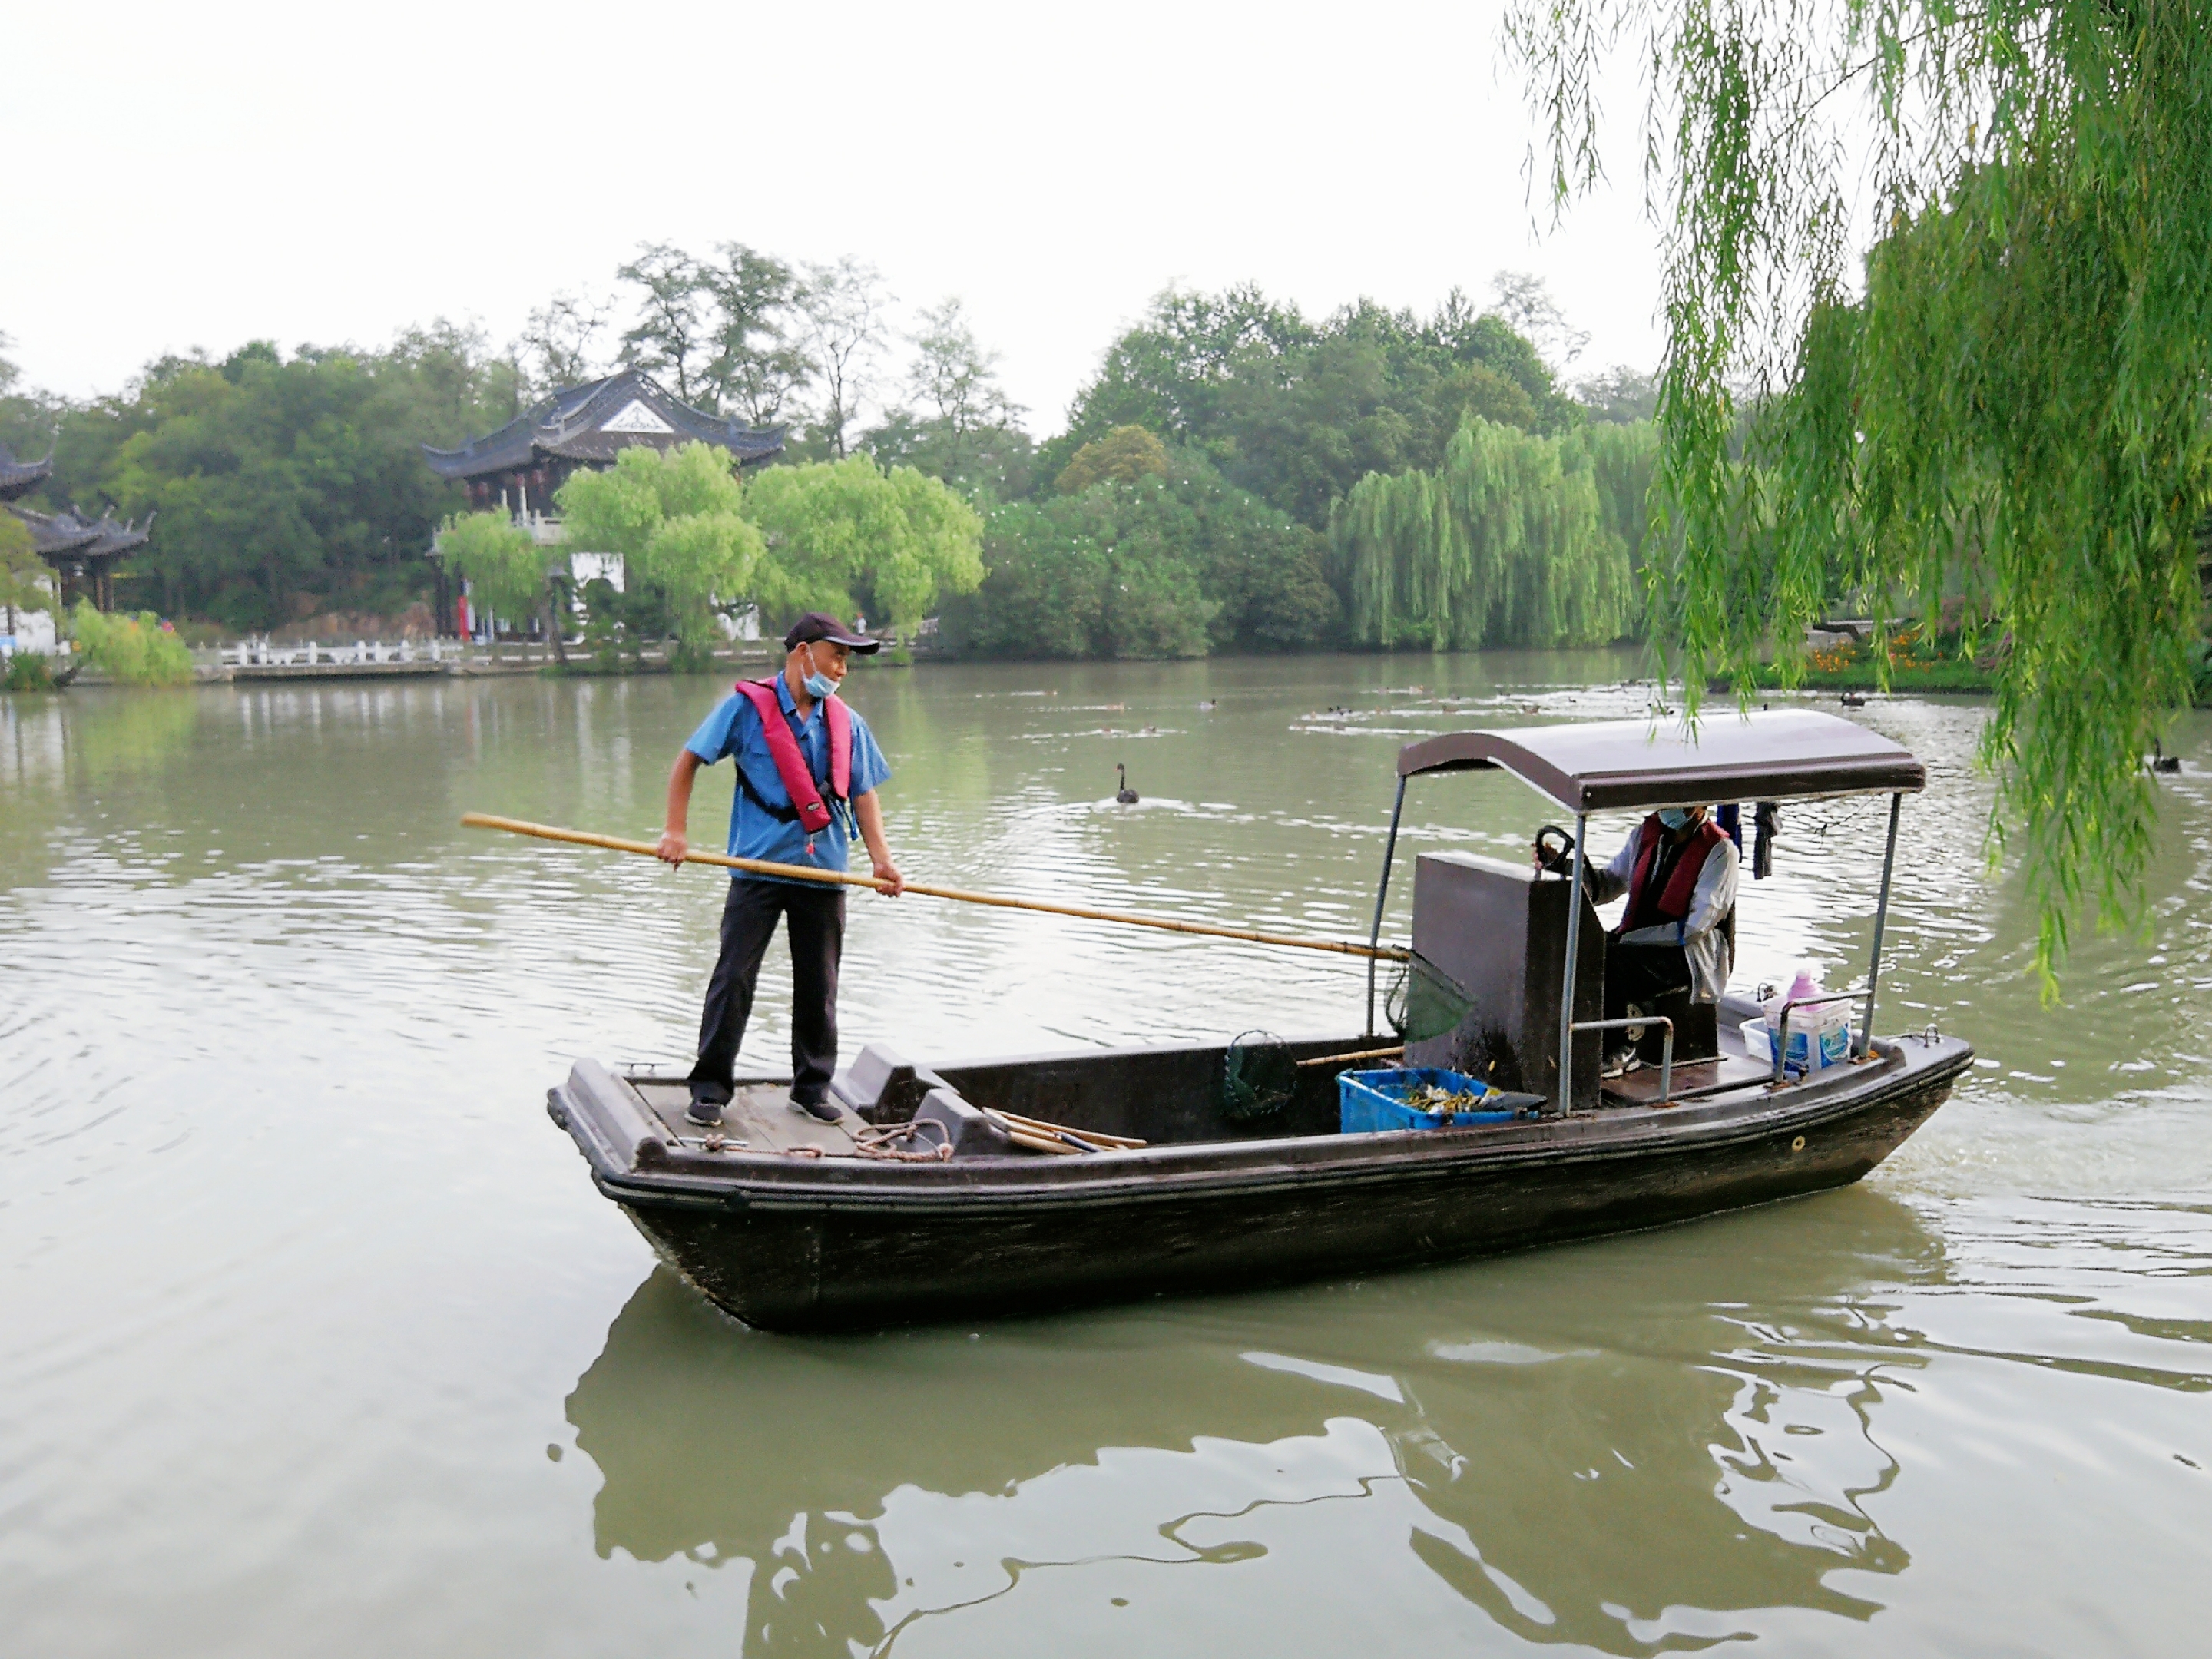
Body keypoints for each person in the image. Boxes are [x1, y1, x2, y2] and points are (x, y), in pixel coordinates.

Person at [657, 613, 905, 1127]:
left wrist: (882, 860)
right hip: (757, 871)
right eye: (837, 656)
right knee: (733, 979)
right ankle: (709, 1088)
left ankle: (812, 1086)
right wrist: (675, 831)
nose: (842, 669)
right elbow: (687, 761)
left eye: (846, 660)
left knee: (820, 985)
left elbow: (864, 793)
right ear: (803, 654)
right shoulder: (746, 710)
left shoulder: (846, 722)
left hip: (825, 874)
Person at [1536, 804, 1739, 1060]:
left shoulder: (1722, 853)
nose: (1670, 807)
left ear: (1703, 804)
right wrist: (1563, 867)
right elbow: (1608, 883)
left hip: (1688, 956)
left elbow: (1695, 928)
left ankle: (1618, 1050)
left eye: (1682, 801)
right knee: (1579, 948)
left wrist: (1628, 940)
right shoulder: (1645, 836)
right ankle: (1566, 1043)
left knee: (1611, 962)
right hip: (1638, 940)